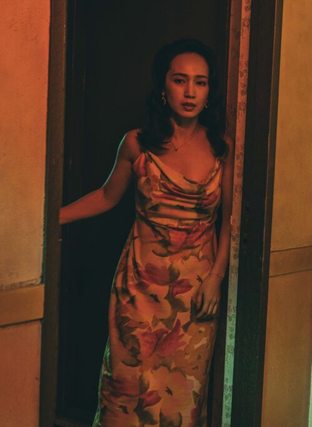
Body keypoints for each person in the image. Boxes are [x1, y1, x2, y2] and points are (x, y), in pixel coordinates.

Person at [60, 39, 233, 426]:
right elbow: (106, 196)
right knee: (126, 391)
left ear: (209, 91)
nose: (190, 92)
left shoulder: (221, 147)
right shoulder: (137, 143)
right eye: (180, 80)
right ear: (163, 87)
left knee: (180, 398)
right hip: (139, 289)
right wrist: (48, 219)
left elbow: (230, 221)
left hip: (195, 294)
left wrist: (216, 278)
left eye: (200, 82)